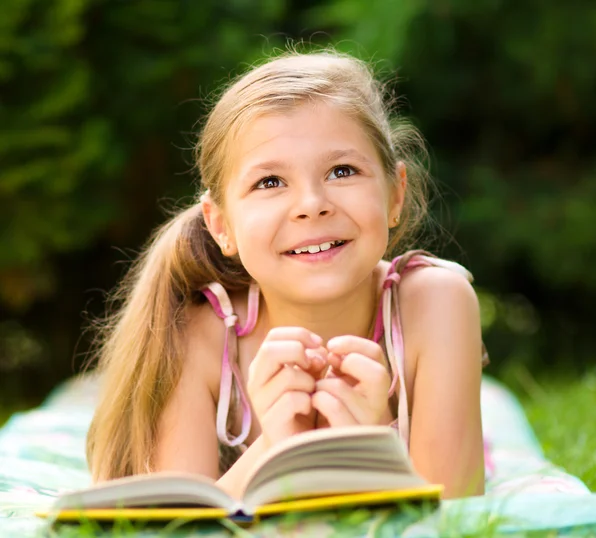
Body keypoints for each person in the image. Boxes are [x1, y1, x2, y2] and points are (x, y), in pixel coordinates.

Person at [85, 47, 487, 499]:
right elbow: (177, 526)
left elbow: (457, 516)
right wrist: (275, 448)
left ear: (395, 194)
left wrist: (372, 444)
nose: (312, 204)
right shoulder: (201, 335)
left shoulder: (435, 304)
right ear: (221, 225)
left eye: (342, 170)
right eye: (270, 182)